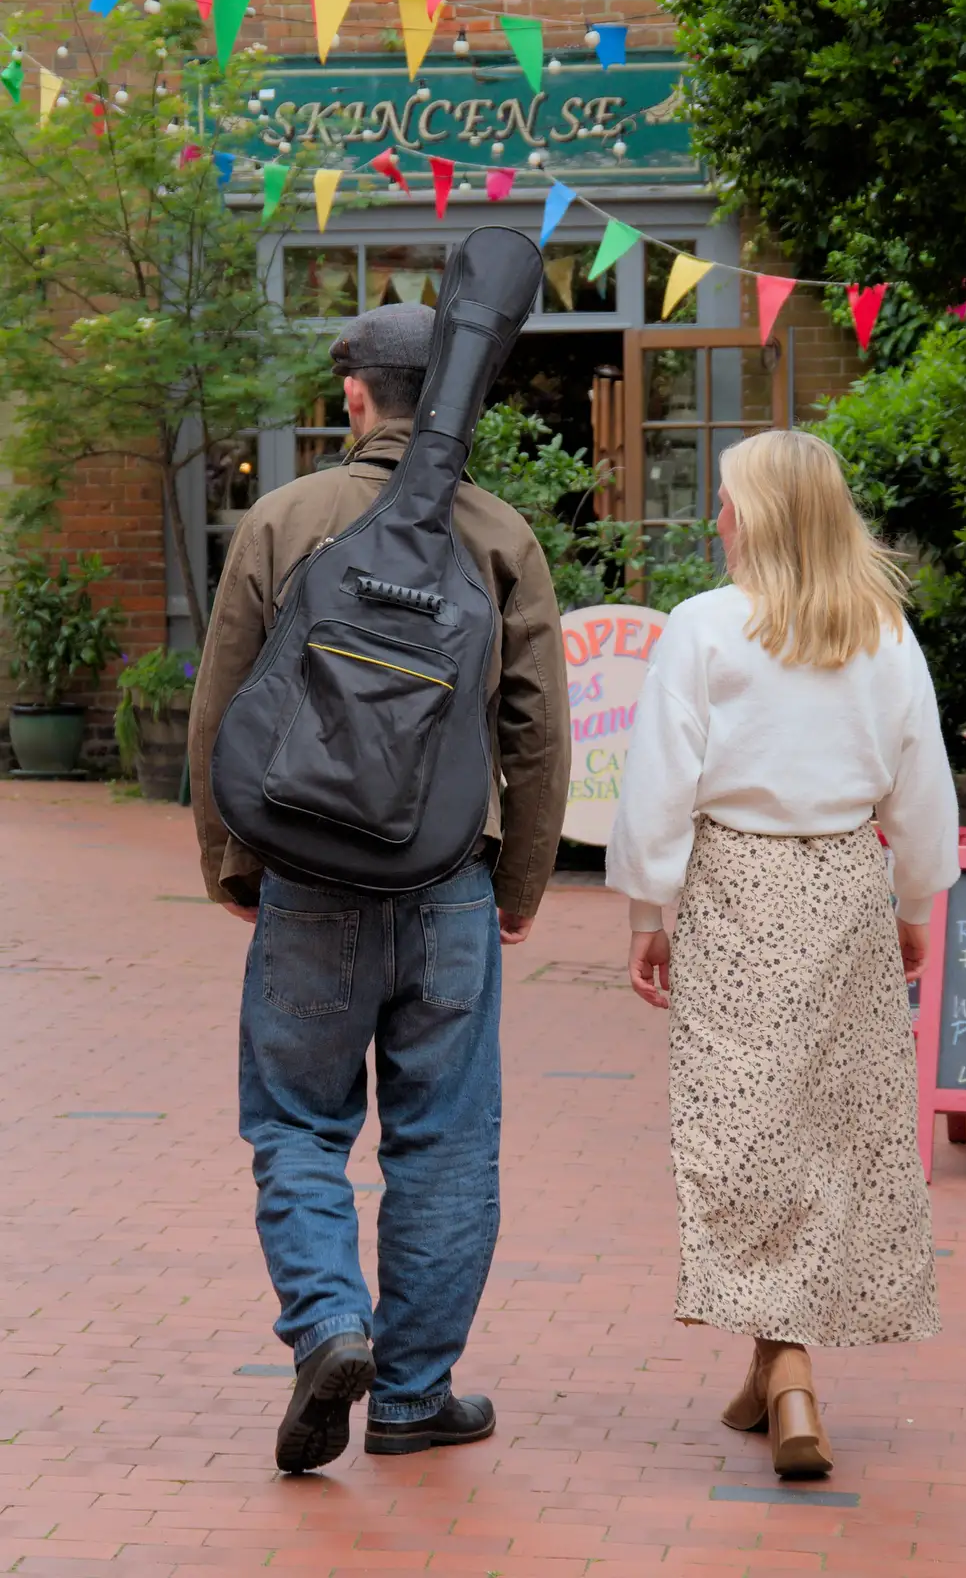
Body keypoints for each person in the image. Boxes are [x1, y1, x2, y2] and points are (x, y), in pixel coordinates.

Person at [189, 303, 570, 1472]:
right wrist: (516, 884)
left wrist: (231, 860)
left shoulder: (283, 518)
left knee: (297, 1121)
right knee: (446, 1140)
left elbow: (221, 706)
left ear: (352, 395)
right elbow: (538, 727)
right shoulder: (498, 531)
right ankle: (410, 1393)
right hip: (448, 880)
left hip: (307, 874)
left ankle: (326, 1323)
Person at [607, 429, 959, 1479]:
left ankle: (789, 1366)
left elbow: (659, 781)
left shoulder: (703, 628)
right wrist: (910, 900)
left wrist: (645, 911)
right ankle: (774, 1369)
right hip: (846, 883)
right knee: (823, 1127)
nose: (714, 517)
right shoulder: (880, 629)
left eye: (723, 500)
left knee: (743, 1125)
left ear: (753, 514)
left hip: (735, 891)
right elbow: (921, 787)